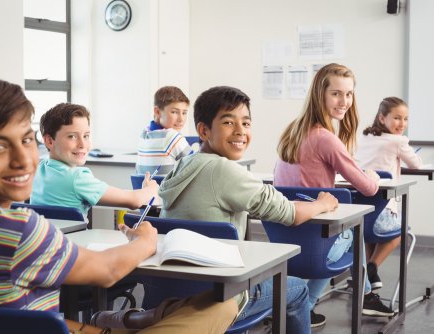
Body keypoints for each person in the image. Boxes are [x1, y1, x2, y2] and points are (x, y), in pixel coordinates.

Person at [0, 78, 241, 334]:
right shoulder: (21, 231)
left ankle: (119, 320)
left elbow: (4, 316)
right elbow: (107, 271)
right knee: (221, 304)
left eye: (27, 140)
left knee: (182, 308)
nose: (23, 159)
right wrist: (146, 240)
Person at [158, 85, 339, 334]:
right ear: (203, 130)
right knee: (297, 289)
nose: (240, 131)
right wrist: (323, 204)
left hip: (172, 292)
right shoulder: (225, 170)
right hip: (221, 297)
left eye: (246, 123)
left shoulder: (183, 165)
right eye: (229, 122)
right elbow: (290, 214)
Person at [274, 63, 395, 326]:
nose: (345, 101)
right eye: (336, 94)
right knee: (354, 234)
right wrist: (373, 175)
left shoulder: (293, 130)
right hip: (313, 245)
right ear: (320, 94)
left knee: (350, 230)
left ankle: (309, 305)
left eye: (349, 94)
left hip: (282, 240)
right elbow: (368, 188)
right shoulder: (325, 138)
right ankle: (308, 306)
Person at [30, 103, 158, 217]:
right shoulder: (77, 178)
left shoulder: (38, 169)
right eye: (72, 136)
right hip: (72, 242)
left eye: (86, 136)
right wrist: (151, 189)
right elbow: (134, 201)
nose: (82, 144)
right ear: (49, 141)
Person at [355, 97, 422, 289]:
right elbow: (416, 165)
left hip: (359, 214)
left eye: (406, 119)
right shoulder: (398, 141)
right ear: (382, 118)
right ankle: (372, 266)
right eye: (397, 118)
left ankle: (365, 274)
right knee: (401, 232)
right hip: (380, 213)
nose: (402, 124)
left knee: (368, 233)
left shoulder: (365, 136)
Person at [135, 86, 193, 176]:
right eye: (174, 112)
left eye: (184, 113)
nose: (181, 119)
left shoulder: (143, 135)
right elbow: (196, 166)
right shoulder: (172, 137)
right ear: (157, 112)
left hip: (144, 189)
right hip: (165, 189)